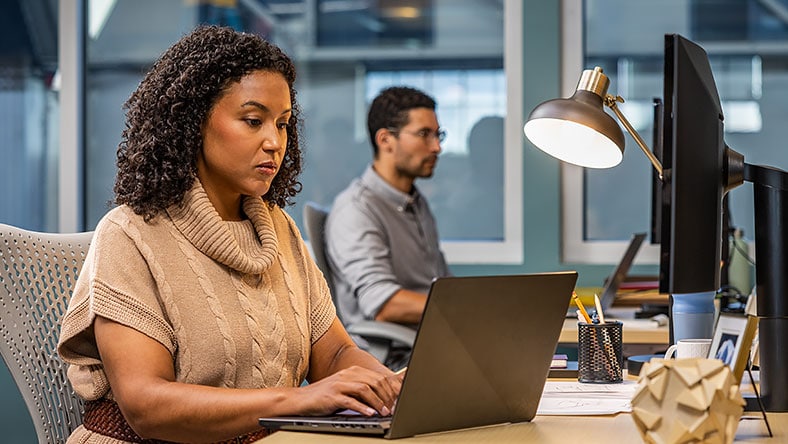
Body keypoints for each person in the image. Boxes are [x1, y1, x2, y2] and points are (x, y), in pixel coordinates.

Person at [57, 25, 401, 444]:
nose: (275, 142)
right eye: (253, 121)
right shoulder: (130, 234)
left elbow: (335, 354)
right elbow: (147, 405)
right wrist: (296, 400)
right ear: (192, 120)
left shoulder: (279, 228)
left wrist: (390, 387)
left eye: (284, 124)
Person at [324, 86, 451, 366]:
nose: (436, 147)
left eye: (437, 134)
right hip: (397, 362)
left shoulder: (416, 203)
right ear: (385, 140)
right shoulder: (356, 210)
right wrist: (466, 308)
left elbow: (443, 286)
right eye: (423, 134)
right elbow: (383, 304)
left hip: (441, 345)